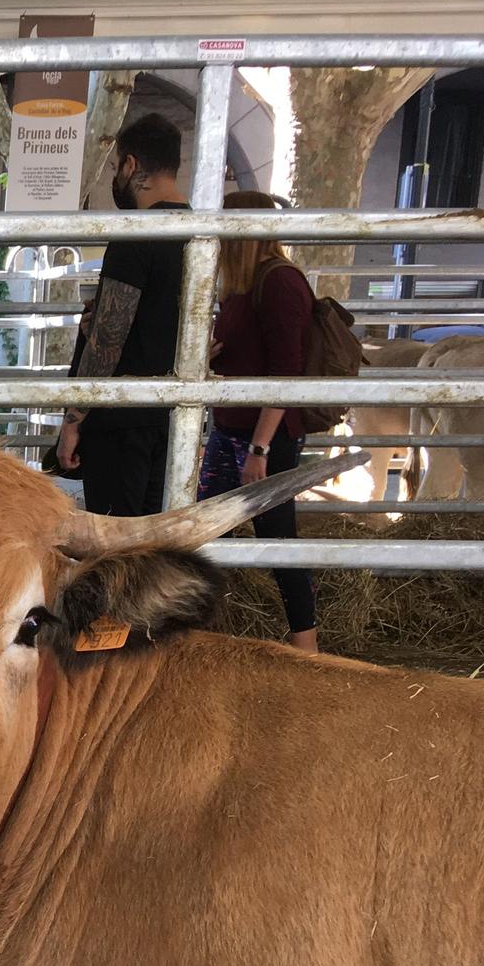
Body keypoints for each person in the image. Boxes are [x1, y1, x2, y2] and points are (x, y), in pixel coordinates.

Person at [202, 189, 319, 652]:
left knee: (277, 537)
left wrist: (260, 448)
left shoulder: (281, 282)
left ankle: (306, 643)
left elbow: (286, 372)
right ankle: (200, 630)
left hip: (264, 437)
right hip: (228, 430)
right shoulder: (240, 287)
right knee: (205, 527)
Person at [56, 112, 190, 516]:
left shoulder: (136, 233)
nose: (116, 176)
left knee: (116, 547)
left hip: (121, 420)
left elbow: (109, 339)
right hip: (172, 417)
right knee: (153, 544)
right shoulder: (199, 232)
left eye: (116, 166)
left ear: (132, 165)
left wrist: (74, 420)